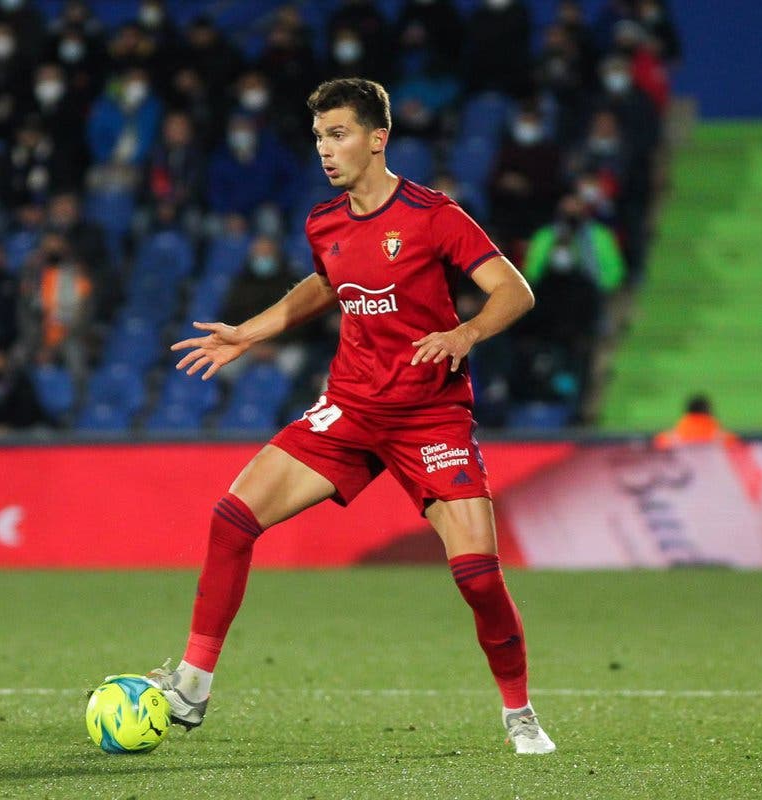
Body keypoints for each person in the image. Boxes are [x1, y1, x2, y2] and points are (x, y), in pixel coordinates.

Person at [159, 78, 555, 755]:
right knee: (232, 519)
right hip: (351, 406)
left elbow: (514, 292)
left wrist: (464, 335)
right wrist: (250, 333)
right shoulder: (324, 222)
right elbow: (324, 282)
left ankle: (519, 714)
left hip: (431, 416)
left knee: (479, 579)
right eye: (318, 138)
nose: (325, 150)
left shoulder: (434, 216)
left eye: (338, 134)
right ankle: (192, 686)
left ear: (379, 139)